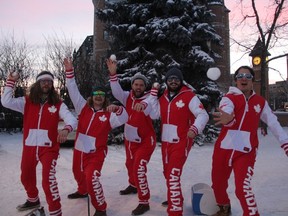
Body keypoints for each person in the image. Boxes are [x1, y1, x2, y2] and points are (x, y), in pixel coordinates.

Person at [211, 65, 288, 216]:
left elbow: (273, 122)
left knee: (242, 188)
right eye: (240, 76)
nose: (244, 78)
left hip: (246, 149)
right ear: (236, 81)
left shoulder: (260, 101)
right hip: (225, 147)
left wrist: (285, 143)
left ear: (253, 80)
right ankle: (224, 207)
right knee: (218, 184)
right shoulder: (229, 98)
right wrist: (228, 118)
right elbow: (226, 109)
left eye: (248, 76)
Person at [1, 70, 77, 216]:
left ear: (52, 85)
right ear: (38, 83)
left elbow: (72, 119)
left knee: (48, 181)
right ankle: (33, 199)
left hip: (48, 148)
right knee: (26, 176)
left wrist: (66, 130)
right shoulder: (27, 102)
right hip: (30, 146)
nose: (46, 83)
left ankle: (55, 211)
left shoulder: (58, 104)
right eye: (43, 81)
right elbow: (6, 101)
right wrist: (10, 82)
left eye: (49, 81)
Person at [136, 67, 209, 216]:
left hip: (182, 141)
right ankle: (177, 198)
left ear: (180, 81)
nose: (173, 81)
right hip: (166, 142)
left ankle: (175, 212)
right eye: (170, 79)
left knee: (173, 175)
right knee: (168, 173)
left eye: (176, 79)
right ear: (166, 81)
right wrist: (152, 98)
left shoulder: (189, 96)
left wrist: (195, 128)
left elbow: (203, 114)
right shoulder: (163, 97)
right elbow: (154, 115)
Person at [64, 58, 128, 216]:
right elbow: (73, 90)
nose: (98, 97)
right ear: (91, 97)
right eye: (96, 94)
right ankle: (82, 190)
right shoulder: (82, 108)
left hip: (96, 152)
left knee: (91, 177)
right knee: (78, 173)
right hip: (80, 149)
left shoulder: (109, 114)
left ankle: (101, 208)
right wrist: (69, 72)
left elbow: (124, 118)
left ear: (104, 98)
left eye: (101, 94)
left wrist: (119, 110)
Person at [106, 59, 157, 216]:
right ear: (132, 85)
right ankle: (133, 185)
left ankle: (144, 201)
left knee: (139, 168)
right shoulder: (127, 96)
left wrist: (146, 104)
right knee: (130, 164)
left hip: (146, 141)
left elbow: (152, 108)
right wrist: (113, 74)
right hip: (130, 138)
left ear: (145, 87)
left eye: (141, 85)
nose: (139, 87)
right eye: (136, 84)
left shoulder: (150, 98)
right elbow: (116, 91)